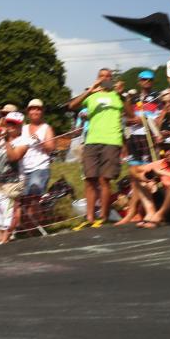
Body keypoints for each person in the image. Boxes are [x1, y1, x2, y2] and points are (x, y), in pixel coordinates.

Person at [68, 68, 125, 228]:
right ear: (97, 78)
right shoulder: (92, 95)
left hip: (111, 140)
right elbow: (72, 105)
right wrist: (91, 90)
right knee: (89, 179)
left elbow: (128, 112)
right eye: (102, 76)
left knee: (104, 180)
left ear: (111, 79)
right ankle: (90, 216)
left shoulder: (116, 95)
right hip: (92, 140)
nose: (105, 79)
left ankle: (104, 215)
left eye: (108, 76)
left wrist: (121, 93)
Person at [11, 99, 54, 231]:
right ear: (28, 112)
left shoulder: (46, 128)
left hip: (39, 168)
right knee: (23, 200)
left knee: (34, 197)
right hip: (23, 170)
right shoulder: (22, 128)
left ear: (42, 112)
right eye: (32, 109)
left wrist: (39, 140)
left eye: (38, 109)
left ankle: (36, 227)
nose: (35, 111)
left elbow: (51, 148)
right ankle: (31, 227)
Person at [0, 111, 25, 244]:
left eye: (14, 124)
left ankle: (5, 239)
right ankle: (1, 240)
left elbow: (14, 157)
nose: (11, 126)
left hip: (13, 181)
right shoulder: (0, 136)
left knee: (9, 212)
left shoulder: (24, 139)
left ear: (20, 126)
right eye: (9, 123)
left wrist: (7, 140)